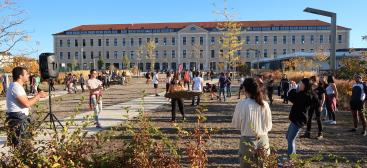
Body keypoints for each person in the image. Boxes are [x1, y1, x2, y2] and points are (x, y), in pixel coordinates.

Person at [231, 78, 272, 168]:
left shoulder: (241, 104)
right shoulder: (265, 104)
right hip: (264, 140)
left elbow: (236, 125)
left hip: (247, 140)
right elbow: (269, 126)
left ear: (245, 89)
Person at [6, 67, 48, 147]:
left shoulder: (16, 86)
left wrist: (36, 96)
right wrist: (38, 96)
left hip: (19, 118)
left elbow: (25, 100)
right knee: (23, 146)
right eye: (26, 74)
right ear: (20, 76)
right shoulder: (16, 87)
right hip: (18, 119)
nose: (28, 75)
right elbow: (26, 104)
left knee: (24, 145)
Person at [286, 78, 313, 155]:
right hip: (295, 119)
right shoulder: (304, 93)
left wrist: (293, 88)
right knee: (288, 137)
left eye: (301, 84)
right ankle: (292, 157)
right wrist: (294, 87)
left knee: (290, 139)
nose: (299, 85)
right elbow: (293, 95)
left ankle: (290, 159)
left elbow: (291, 97)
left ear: (306, 86)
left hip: (298, 120)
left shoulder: (306, 95)